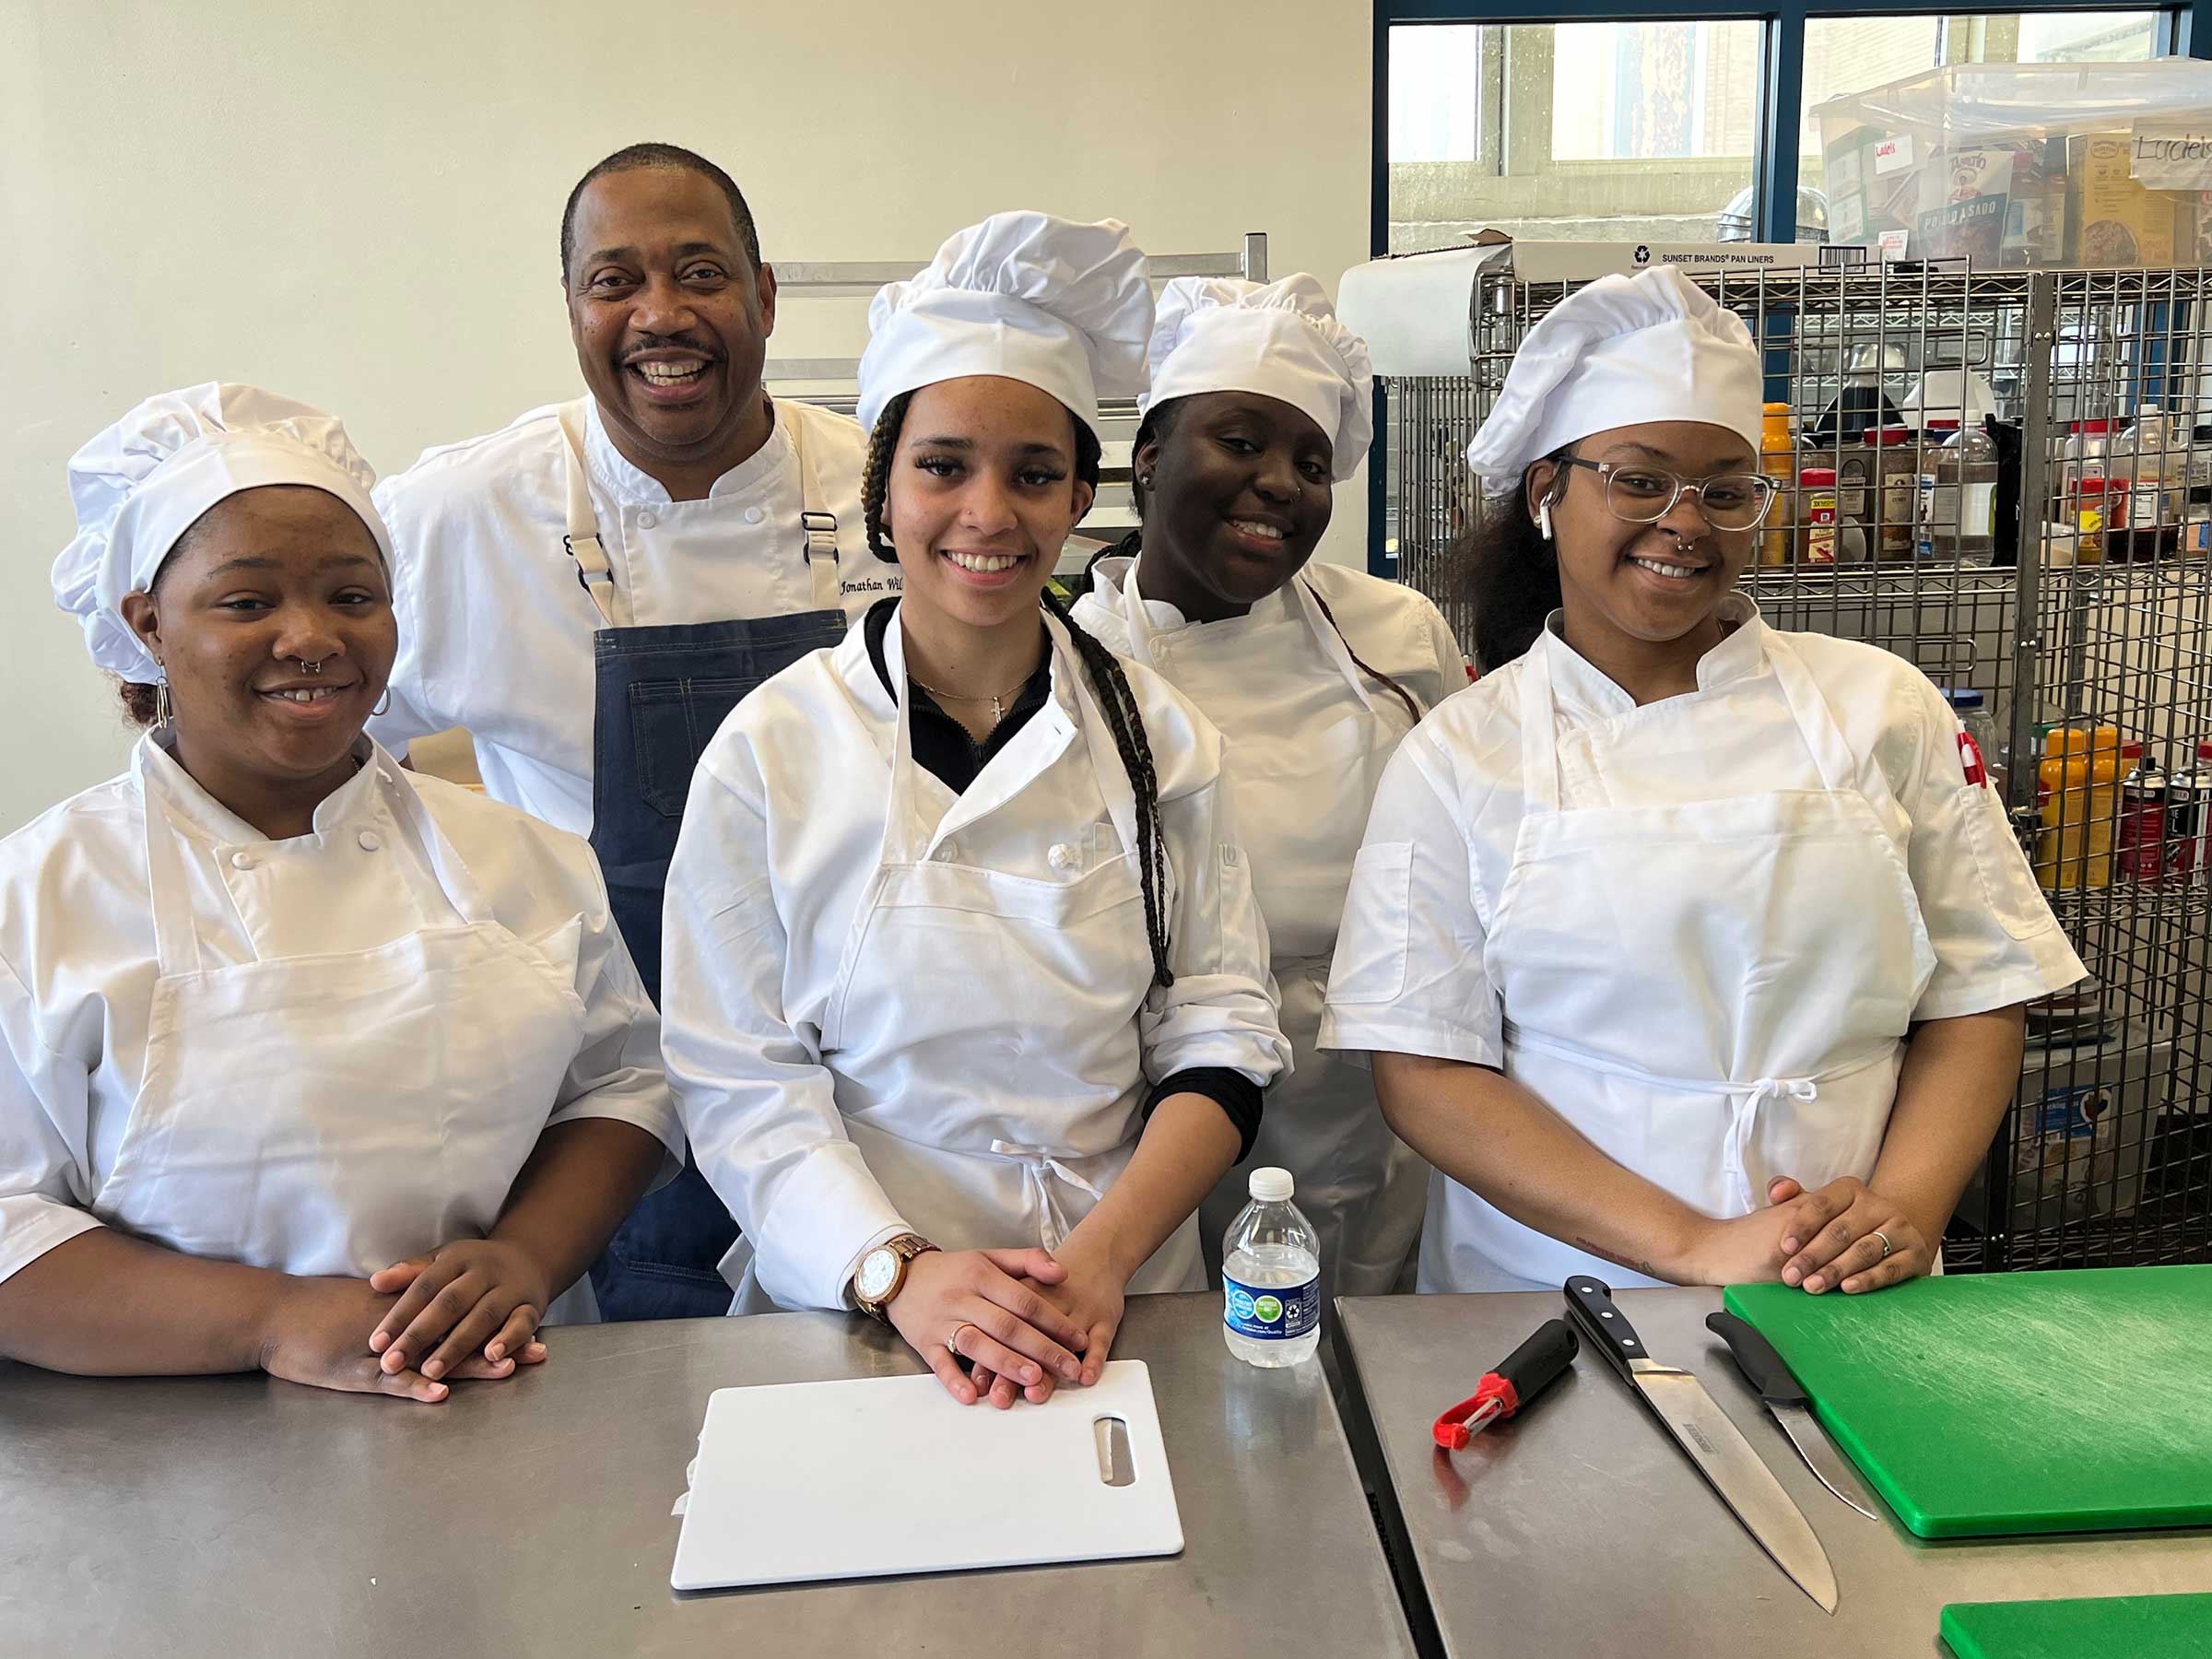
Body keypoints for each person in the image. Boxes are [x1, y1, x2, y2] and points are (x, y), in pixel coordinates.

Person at [1322, 268, 2085, 1297]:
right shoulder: (1463, 753)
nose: (1687, 522)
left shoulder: (1881, 708)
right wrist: (1687, 1243)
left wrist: (1902, 1210)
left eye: (1726, 490)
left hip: (1850, 1279)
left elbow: (1981, 992)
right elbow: (1423, 1072)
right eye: (1638, 479)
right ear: (1549, 494)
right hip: (1560, 1287)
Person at [662, 213, 1289, 1406]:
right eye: (944, 465)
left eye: (1034, 473)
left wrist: (1099, 1260)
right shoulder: (775, 750)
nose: (989, 514)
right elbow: (737, 1076)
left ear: (1080, 498)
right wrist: (905, 1274)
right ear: (883, 491)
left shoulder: (1158, 740)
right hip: (858, 1294)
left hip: (1122, 1292)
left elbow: (1221, 1024)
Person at [1, 385, 679, 1401]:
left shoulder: (519, 857)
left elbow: (624, 1087)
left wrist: (526, 1260)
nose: (312, 636)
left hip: (499, 1406)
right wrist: (274, 1321)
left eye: (353, 596)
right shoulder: (40, 895)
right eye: (247, 602)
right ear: (147, 623)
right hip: (161, 1448)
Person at [369, 143, 889, 1320]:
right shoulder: (461, 517)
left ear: (763, 296)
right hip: (608, 1083)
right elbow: (327, 742)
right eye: (615, 281)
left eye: (699, 272)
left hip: (861, 1071)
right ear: (571, 311)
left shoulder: (883, 494)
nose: (661, 314)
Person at [1071, 275, 1463, 1301]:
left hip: (1357, 1112)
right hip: (1131, 1119)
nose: (1281, 483)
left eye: (1311, 462)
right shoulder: (1063, 663)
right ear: (1150, 455)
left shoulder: (1393, 637)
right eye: (1242, 442)